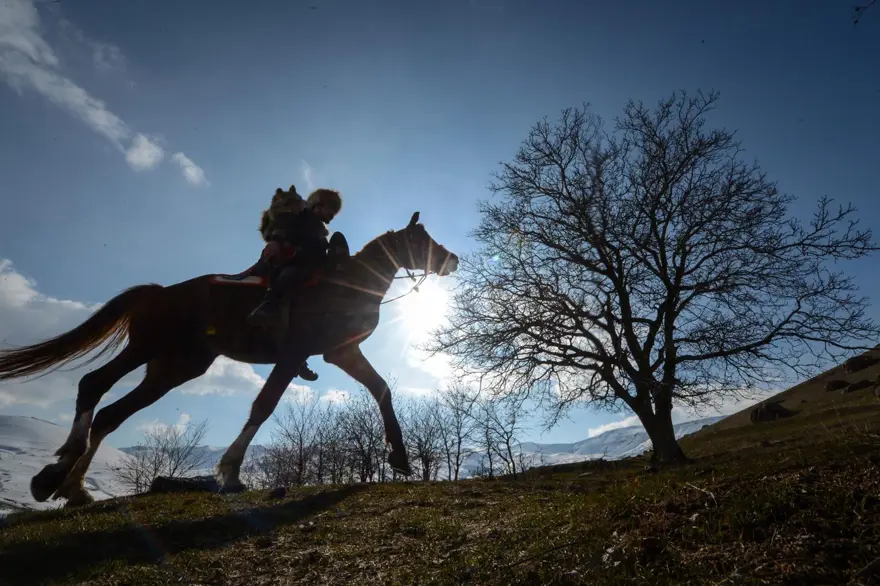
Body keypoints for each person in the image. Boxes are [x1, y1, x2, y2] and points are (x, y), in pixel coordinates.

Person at [248, 187, 344, 380]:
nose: (331, 217)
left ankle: (299, 354)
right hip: (291, 261)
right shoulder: (298, 217)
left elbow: (320, 249)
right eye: (330, 211)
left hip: (312, 267)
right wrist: (275, 241)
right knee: (292, 274)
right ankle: (268, 304)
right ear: (317, 206)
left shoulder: (320, 230)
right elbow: (283, 226)